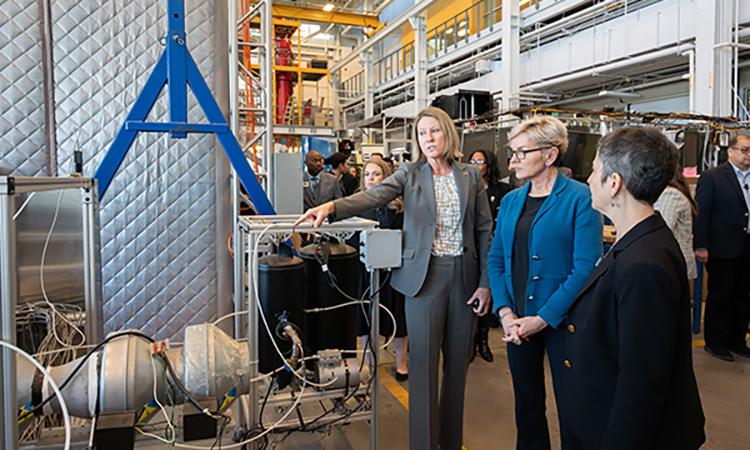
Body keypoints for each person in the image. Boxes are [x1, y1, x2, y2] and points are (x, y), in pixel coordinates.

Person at [295, 106, 493, 450]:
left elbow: (484, 229)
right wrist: (331, 209)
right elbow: (373, 195)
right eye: (422, 133)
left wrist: (486, 282)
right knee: (422, 367)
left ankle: (451, 441)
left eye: (434, 131)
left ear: (447, 133)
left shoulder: (469, 176)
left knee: (457, 366)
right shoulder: (409, 174)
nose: (428, 138)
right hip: (424, 279)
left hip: (464, 277)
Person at [563, 126, 705, 450]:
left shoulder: (644, 265)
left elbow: (641, 382)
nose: (588, 179)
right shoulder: (637, 242)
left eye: (596, 170)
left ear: (614, 184)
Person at [487, 115, 602, 450]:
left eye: (522, 152)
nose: (513, 160)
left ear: (550, 155)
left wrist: (542, 318)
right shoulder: (510, 201)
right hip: (517, 320)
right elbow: (497, 260)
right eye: (513, 152)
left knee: (573, 405)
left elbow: (584, 268)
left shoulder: (580, 198)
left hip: (564, 320)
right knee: (527, 403)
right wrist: (506, 312)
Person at [693, 132, 750, 361]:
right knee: (721, 295)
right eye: (744, 150)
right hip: (723, 246)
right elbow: (702, 213)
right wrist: (701, 245)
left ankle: (737, 340)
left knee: (744, 295)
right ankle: (716, 343)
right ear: (731, 151)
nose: (748, 155)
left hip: (748, 245)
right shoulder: (713, 177)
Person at [354, 158, 409, 380]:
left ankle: (401, 364)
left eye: (376, 174)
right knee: (366, 319)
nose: (371, 178)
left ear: (387, 178)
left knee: (397, 318)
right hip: (365, 272)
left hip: (393, 272)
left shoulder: (399, 208)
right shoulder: (357, 205)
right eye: (367, 174)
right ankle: (369, 363)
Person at [467, 149, 512, 363]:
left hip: (494, 247)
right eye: (472, 161)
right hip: (471, 248)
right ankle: (469, 342)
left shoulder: (503, 190)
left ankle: (483, 341)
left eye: (480, 161)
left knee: (488, 291)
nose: (476, 165)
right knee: (471, 293)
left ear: (489, 165)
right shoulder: (466, 187)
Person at [654, 164, 698, 281]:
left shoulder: (670, 194)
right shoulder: (672, 192)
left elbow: (661, 228)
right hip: (672, 264)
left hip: (672, 264)